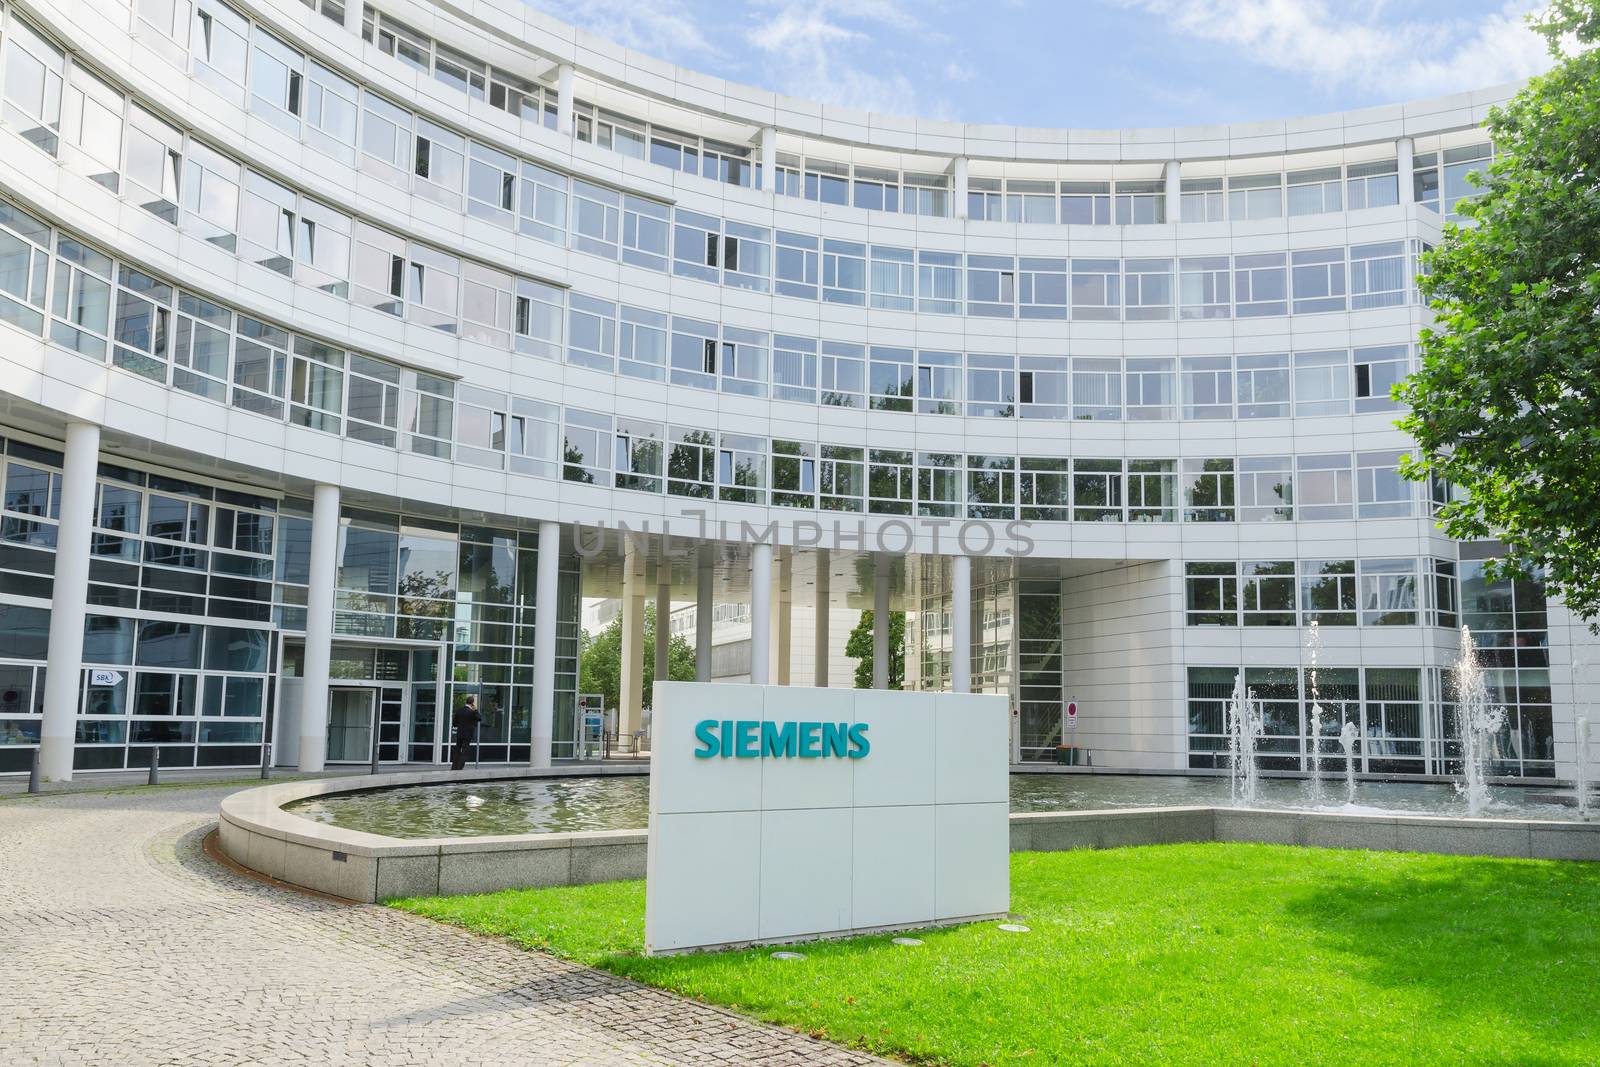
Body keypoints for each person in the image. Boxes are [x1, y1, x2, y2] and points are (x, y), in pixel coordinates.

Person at [450, 695, 481, 771]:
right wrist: (476, 709)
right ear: (472, 703)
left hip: (460, 733)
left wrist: (461, 725)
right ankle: (460, 767)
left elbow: (454, 723)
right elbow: (479, 718)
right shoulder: (472, 712)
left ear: (466, 701)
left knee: (457, 749)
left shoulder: (459, 710)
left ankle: (454, 767)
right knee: (465, 750)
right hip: (468, 734)